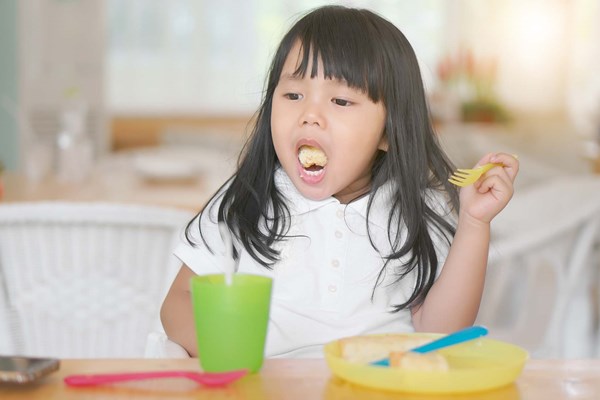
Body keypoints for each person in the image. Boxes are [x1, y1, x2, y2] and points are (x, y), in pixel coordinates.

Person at [160, 5, 519, 358]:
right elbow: (179, 302)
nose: (310, 115)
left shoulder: (417, 209)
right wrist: (231, 354)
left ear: (389, 132)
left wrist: (474, 223)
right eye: (293, 95)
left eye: (341, 100)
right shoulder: (248, 199)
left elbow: (441, 334)